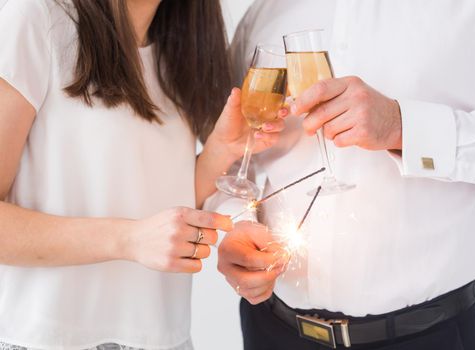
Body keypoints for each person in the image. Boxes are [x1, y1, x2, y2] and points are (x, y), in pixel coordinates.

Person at [212, 0, 475, 349]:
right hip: (271, 329)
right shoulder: (267, 9)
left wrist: (401, 126)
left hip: (423, 337)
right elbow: (233, 147)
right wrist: (235, 222)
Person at [0, 0, 286, 349]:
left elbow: (157, 203)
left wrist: (219, 152)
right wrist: (128, 239)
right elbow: (141, 236)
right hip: (50, 340)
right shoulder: (35, 18)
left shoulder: (181, 45)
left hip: (164, 337)